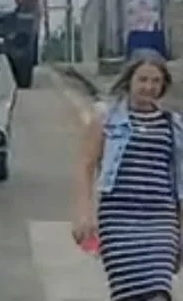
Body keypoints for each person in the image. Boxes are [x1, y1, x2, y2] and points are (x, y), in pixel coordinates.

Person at [72, 50, 183, 300]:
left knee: (158, 290)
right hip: (118, 220)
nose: (149, 87)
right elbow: (85, 165)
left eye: (156, 81)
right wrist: (84, 214)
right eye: (143, 80)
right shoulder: (107, 119)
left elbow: (179, 184)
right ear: (129, 81)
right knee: (129, 293)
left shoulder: (173, 125)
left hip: (161, 222)